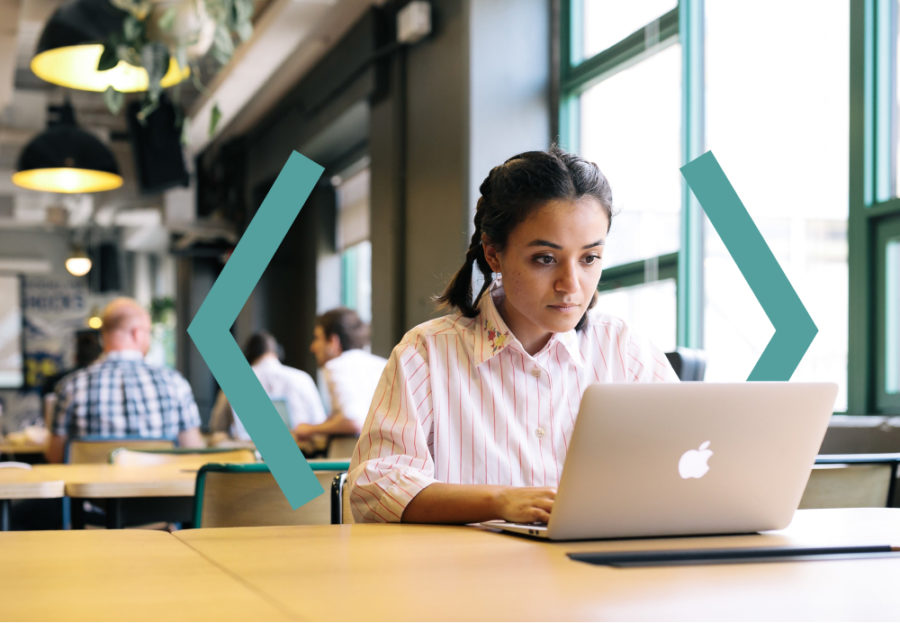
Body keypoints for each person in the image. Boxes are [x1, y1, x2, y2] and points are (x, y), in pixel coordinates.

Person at [347, 146, 678, 524]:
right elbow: (375, 487)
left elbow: (687, 461)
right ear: (493, 254)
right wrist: (500, 501)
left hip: (598, 572)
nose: (570, 285)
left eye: (589, 258)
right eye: (545, 259)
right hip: (470, 578)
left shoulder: (625, 350)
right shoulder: (427, 353)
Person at [46, 297, 204, 463]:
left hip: (95, 489)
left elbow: (56, 456)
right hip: (160, 488)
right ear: (136, 333)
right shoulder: (175, 383)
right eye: (148, 332)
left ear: (103, 335)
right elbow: (192, 451)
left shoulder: (71, 386)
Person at [293, 308, 387, 450]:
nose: (313, 347)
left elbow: (353, 421)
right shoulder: (381, 364)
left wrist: (309, 429)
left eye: (317, 338)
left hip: (349, 460)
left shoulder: (336, 367)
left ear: (333, 341)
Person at [227, 331, 326, 440]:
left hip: (250, 452)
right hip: (304, 451)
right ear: (277, 352)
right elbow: (319, 422)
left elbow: (217, 425)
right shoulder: (303, 378)